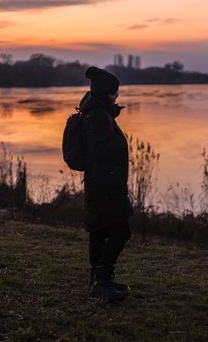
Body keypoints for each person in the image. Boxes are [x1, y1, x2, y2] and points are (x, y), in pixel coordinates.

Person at [78, 66, 134, 302]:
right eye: (115, 91)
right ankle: (102, 279)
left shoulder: (96, 112)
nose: (118, 95)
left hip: (99, 181)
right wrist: (120, 146)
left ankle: (99, 281)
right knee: (122, 230)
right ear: (108, 92)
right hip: (105, 185)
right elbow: (97, 150)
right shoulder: (99, 117)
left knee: (100, 230)